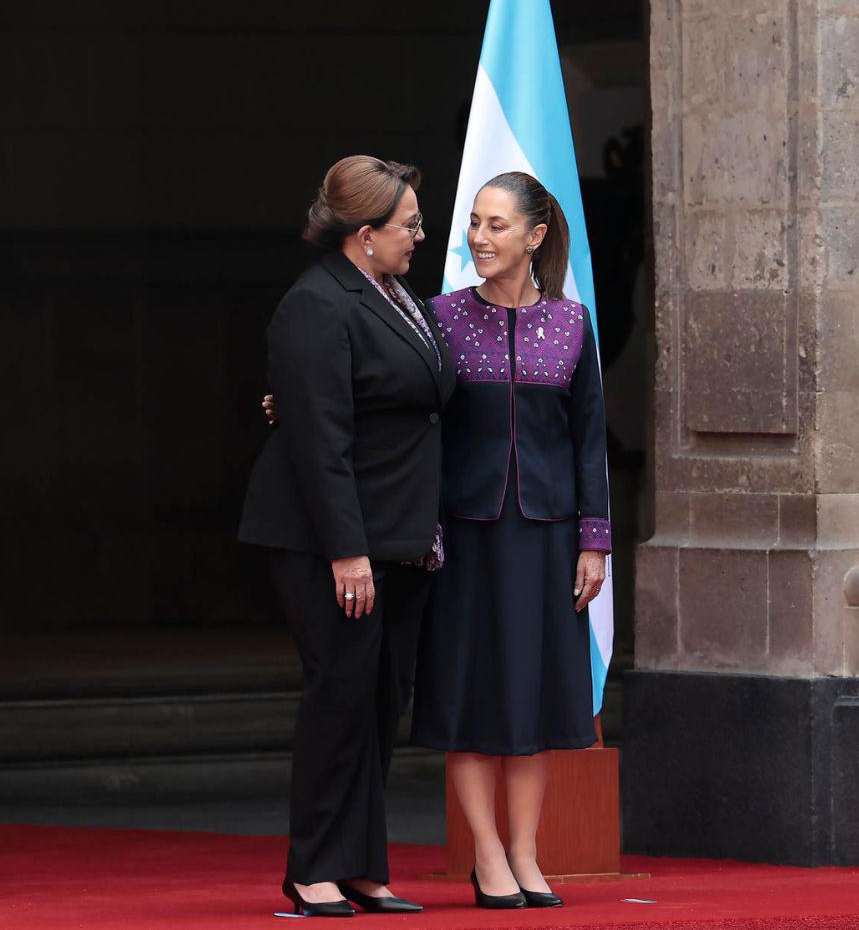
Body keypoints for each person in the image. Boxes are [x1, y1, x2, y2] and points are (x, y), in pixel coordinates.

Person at [239, 155, 455, 917]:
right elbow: (319, 441)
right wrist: (347, 549)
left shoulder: (397, 294)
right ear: (365, 233)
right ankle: (313, 868)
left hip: (399, 534)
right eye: (409, 225)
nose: (420, 235)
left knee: (378, 698)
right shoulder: (316, 303)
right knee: (339, 694)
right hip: (329, 541)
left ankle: (361, 863)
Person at [410, 171, 610, 909]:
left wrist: (594, 542)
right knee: (469, 696)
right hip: (461, 539)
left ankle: (525, 853)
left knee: (532, 699)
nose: (479, 237)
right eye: (474, 222)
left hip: (548, 540)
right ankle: (487, 854)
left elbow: (590, 440)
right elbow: (404, 416)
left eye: (496, 225)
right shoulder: (439, 317)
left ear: (535, 236)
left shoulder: (573, 324)